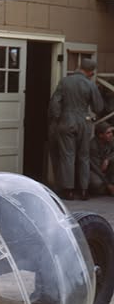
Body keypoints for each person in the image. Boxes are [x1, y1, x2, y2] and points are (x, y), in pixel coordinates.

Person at [48, 58, 103, 200]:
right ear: (91, 72)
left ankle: (68, 190)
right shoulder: (90, 85)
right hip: (84, 121)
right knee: (84, 156)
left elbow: (55, 103)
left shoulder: (65, 81)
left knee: (68, 156)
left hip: (66, 121)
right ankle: (84, 190)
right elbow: (98, 107)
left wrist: (57, 119)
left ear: (79, 67)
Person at [89, 121, 114, 196]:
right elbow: (98, 169)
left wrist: (107, 159)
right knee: (97, 183)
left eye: (111, 132)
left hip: (106, 167)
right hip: (95, 170)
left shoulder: (111, 140)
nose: (111, 134)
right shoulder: (93, 146)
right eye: (108, 133)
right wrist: (108, 184)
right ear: (100, 135)